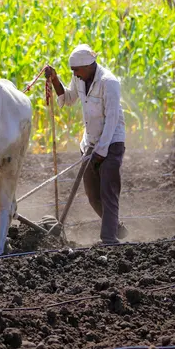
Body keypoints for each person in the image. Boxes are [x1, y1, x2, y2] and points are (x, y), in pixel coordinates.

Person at [44, 44, 128, 245]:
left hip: (112, 142)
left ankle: (109, 239)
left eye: (76, 70)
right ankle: (116, 227)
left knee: (108, 191)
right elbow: (69, 98)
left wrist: (102, 151)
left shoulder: (109, 83)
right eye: (73, 72)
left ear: (89, 65)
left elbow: (112, 119)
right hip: (89, 143)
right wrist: (55, 80)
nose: (75, 74)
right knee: (92, 195)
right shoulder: (80, 78)